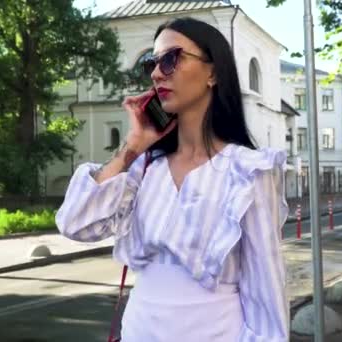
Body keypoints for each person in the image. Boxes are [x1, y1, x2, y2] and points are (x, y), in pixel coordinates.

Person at [55, 17, 289, 341]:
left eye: (170, 59)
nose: (155, 72)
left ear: (213, 72)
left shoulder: (248, 172)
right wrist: (133, 146)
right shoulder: (146, 168)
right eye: (153, 62)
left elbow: (267, 291)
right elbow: (75, 223)